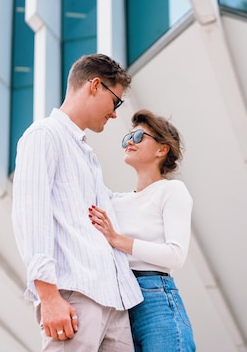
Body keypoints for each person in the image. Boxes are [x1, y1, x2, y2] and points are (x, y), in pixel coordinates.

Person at [12, 53, 143, 351]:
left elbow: (110, 206)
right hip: (75, 295)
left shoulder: (87, 154)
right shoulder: (44, 135)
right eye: (115, 102)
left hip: (114, 300)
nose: (114, 114)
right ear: (95, 86)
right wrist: (48, 297)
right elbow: (31, 217)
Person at [89, 109, 196, 352]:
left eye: (139, 137)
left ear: (162, 149)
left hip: (156, 297)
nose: (130, 142)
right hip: (120, 303)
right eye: (128, 138)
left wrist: (117, 239)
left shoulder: (172, 191)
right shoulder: (115, 201)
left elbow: (175, 255)